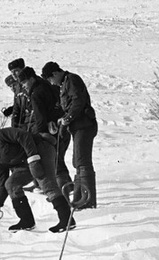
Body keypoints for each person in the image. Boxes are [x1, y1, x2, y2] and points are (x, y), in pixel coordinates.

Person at [0, 125, 75, 233]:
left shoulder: (2, 136)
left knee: (46, 183)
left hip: (41, 148)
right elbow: (2, 184)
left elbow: (24, 136)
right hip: (26, 163)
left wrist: (33, 158)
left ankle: (67, 220)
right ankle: (26, 221)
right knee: (11, 184)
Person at [42, 61, 98, 209]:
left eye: (50, 79)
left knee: (82, 161)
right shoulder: (64, 84)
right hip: (78, 126)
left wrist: (67, 119)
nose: (52, 83)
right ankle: (80, 197)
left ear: (54, 74)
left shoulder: (72, 80)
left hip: (84, 125)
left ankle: (88, 201)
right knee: (78, 161)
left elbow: (78, 102)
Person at [18, 67, 71, 194]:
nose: (23, 86)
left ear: (31, 79)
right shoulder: (47, 85)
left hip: (49, 130)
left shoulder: (36, 93)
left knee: (54, 159)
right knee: (58, 157)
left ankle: (65, 189)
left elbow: (40, 116)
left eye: (24, 82)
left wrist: (41, 134)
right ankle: (65, 187)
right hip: (61, 125)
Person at [2, 58, 31, 129]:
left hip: (30, 124)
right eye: (12, 72)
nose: (13, 74)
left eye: (16, 71)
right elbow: (18, 106)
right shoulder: (18, 87)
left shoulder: (29, 84)